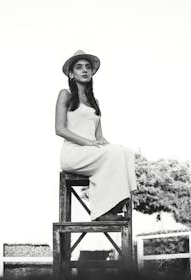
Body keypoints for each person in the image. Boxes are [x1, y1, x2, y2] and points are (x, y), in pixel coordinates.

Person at [55, 50, 137, 221]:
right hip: (73, 154)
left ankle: (117, 206)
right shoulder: (65, 95)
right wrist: (88, 143)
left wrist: (113, 147)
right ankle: (102, 212)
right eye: (79, 67)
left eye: (88, 67)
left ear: (92, 73)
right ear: (71, 74)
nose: (84, 70)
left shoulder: (95, 103)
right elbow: (59, 129)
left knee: (125, 152)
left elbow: (100, 137)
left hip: (91, 152)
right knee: (114, 152)